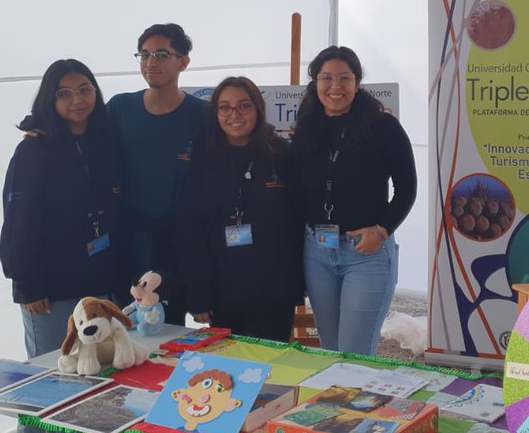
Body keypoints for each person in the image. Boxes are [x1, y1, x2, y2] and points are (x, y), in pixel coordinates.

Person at [0, 59, 120, 433]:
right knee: (48, 389)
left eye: (84, 89)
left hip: (94, 285)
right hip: (49, 293)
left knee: (83, 386)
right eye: (65, 93)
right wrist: (26, 282)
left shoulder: (102, 138)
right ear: (50, 99)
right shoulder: (34, 149)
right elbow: (19, 218)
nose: (76, 100)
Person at [292, 46, 417, 355]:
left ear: (358, 82)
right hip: (318, 252)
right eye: (327, 78)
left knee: (354, 352)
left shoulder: (383, 128)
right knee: (330, 349)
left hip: (366, 254)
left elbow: (406, 188)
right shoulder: (307, 126)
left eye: (345, 78)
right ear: (315, 82)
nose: (336, 87)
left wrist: (383, 230)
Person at [178, 76, 304, 341]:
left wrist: (297, 283)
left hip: (273, 288)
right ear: (216, 113)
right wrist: (198, 294)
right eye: (225, 107)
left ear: (258, 109)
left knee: (273, 370)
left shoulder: (282, 155)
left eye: (243, 106)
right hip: (222, 289)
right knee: (230, 369)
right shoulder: (201, 160)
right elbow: (191, 230)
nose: (234, 115)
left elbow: (297, 222)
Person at [106, 23, 206, 324]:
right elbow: (78, 138)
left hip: (178, 246)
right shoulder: (119, 108)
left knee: (168, 337)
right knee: (124, 333)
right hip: (127, 244)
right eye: (145, 54)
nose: (151, 62)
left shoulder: (203, 115)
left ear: (183, 62)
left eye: (162, 54)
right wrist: (41, 129)